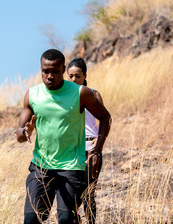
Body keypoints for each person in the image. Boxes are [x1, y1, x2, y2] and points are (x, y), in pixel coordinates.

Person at [17, 49, 111, 224]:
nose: (50, 76)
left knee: (66, 219)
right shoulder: (32, 95)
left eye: (55, 71)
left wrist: (97, 151)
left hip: (71, 167)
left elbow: (105, 117)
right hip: (41, 167)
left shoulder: (80, 93)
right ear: (41, 70)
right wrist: (25, 132)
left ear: (63, 69)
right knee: (31, 220)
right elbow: (19, 133)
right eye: (46, 71)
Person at [67, 57, 104, 224]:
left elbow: (105, 119)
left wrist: (99, 144)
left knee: (89, 194)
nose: (74, 80)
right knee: (70, 196)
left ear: (85, 76)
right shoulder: (64, 97)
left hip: (91, 150)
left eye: (77, 76)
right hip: (71, 151)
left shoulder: (94, 94)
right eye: (71, 76)